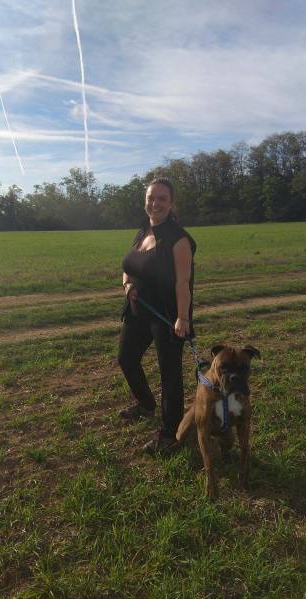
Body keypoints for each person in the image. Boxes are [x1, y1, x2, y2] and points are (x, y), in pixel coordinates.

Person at [118, 177, 196, 454]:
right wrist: (128, 286)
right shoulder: (142, 232)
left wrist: (183, 318)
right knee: (126, 358)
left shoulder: (179, 239)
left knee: (170, 376)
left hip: (167, 316)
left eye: (162, 198)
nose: (156, 203)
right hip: (138, 310)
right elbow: (128, 266)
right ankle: (146, 404)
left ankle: (170, 435)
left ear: (171, 203)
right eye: (151, 198)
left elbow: (183, 282)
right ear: (145, 201)